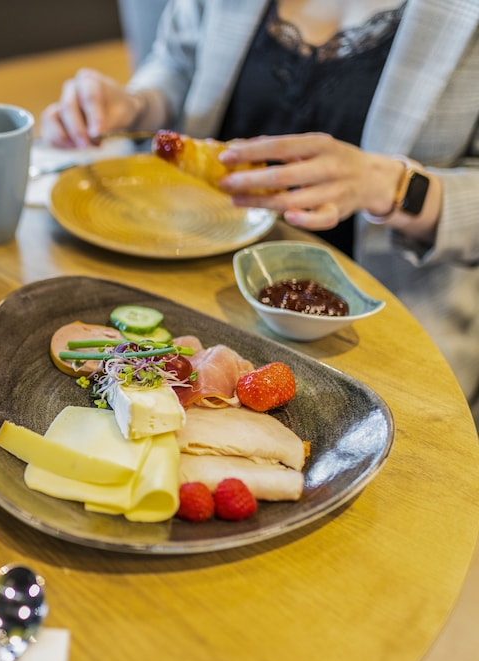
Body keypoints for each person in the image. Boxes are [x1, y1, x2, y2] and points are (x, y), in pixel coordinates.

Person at [41, 0, 479, 426]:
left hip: (383, 333)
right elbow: (177, 65)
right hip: (199, 273)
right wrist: (136, 104)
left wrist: (397, 187)